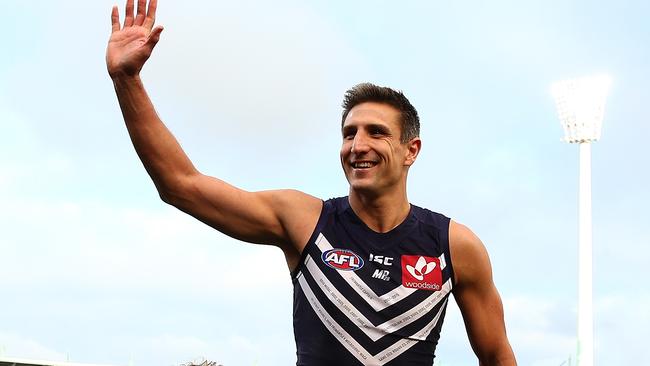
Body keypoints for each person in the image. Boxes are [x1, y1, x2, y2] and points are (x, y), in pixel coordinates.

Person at [106, 1, 517, 365]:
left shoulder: (454, 246)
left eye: (376, 132)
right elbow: (181, 184)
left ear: (412, 150)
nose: (357, 145)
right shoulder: (303, 220)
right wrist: (127, 80)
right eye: (349, 133)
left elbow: (497, 355)